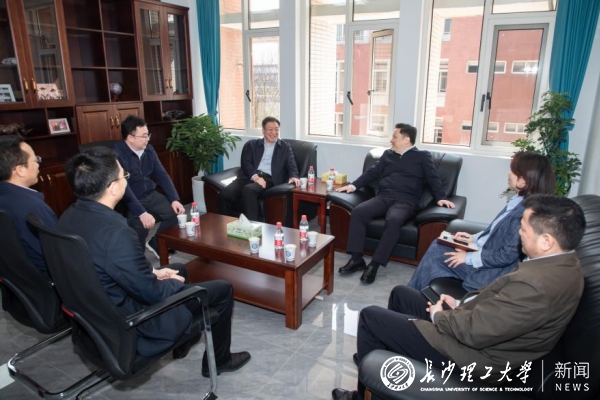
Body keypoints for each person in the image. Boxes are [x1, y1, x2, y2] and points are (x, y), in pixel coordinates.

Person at [332, 194, 586, 400]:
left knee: (371, 318)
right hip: (474, 328)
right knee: (401, 294)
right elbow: (499, 311)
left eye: (524, 229)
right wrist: (462, 303)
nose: (519, 233)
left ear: (546, 241)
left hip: (474, 357)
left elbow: (475, 332)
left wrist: (440, 316)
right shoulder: (561, 266)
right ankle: (390, 354)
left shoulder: (536, 285)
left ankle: (363, 395)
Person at [58, 147, 251, 375]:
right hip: (135, 322)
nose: (126, 180)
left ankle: (184, 341)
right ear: (113, 188)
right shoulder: (118, 233)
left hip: (99, 309)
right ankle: (219, 362)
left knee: (178, 268)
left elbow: (108, 266)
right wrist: (172, 283)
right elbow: (151, 293)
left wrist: (154, 273)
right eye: (124, 175)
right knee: (223, 289)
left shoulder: (68, 217)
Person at [408, 151, 555, 292]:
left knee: (436, 253)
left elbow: (506, 255)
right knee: (440, 244)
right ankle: (415, 295)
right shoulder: (518, 201)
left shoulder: (526, 214)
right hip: (484, 253)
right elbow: (496, 231)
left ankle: (410, 297)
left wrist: (468, 257)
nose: (508, 174)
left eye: (512, 171)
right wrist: (473, 238)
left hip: (491, 271)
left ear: (523, 181)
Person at [336, 123, 455, 284]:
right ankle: (356, 259)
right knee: (358, 212)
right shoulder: (388, 155)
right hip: (383, 197)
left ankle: (375, 264)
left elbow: (433, 178)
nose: (391, 140)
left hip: (406, 201)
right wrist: (353, 186)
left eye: (394, 137)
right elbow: (372, 173)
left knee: (394, 220)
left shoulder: (422, 156)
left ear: (406, 139)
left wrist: (441, 197)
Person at [114, 115, 185, 258]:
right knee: (141, 227)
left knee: (175, 213)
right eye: (144, 136)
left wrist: (174, 199)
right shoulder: (117, 155)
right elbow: (124, 187)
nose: (147, 139)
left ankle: (156, 243)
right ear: (131, 137)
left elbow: (161, 174)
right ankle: (137, 258)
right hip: (130, 199)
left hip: (150, 194)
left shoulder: (148, 150)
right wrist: (141, 213)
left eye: (148, 135)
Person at [218, 116, 300, 221]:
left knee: (249, 190)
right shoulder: (252, 144)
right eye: (270, 129)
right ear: (263, 131)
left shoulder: (285, 147)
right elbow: (246, 163)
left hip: (269, 179)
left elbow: (291, 164)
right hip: (249, 176)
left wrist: (294, 176)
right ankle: (226, 225)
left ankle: (252, 226)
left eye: (276, 129)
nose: (274, 132)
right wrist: (255, 177)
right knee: (225, 194)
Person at [0, 135, 56, 278]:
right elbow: (58, 255)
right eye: (35, 159)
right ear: (20, 170)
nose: (38, 164)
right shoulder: (33, 208)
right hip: (45, 282)